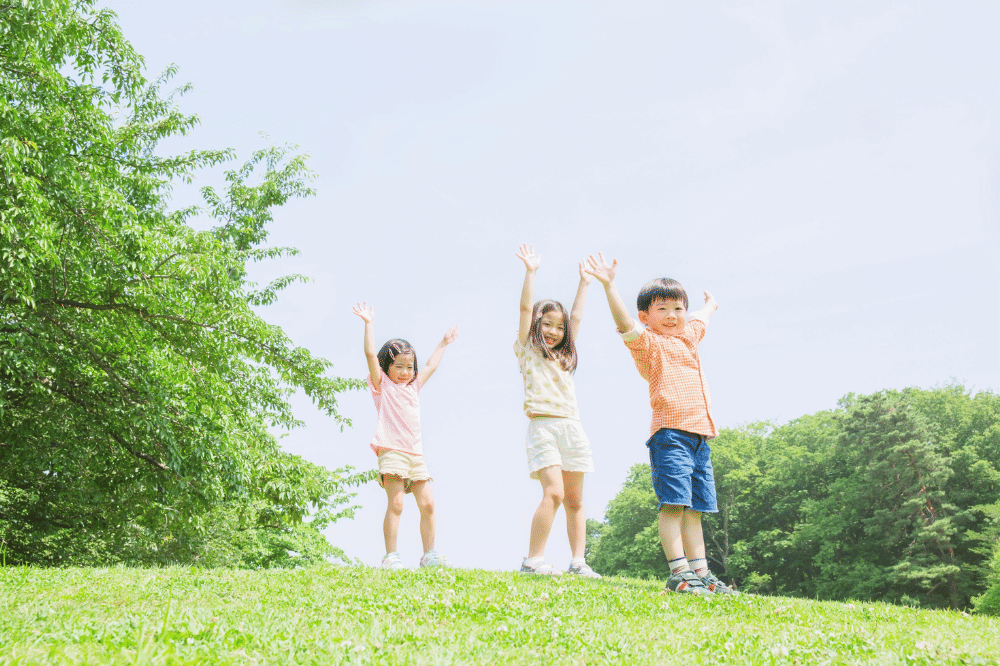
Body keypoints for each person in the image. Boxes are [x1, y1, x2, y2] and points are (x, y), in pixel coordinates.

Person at [584, 252, 736, 595]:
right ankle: (678, 573)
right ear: (646, 316)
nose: (672, 316)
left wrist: (710, 305)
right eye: (662, 309)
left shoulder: (689, 336)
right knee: (675, 504)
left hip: (701, 438)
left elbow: (701, 318)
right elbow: (625, 324)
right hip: (670, 435)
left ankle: (701, 573)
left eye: (677, 309)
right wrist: (609, 285)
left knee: (696, 509)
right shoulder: (648, 345)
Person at [513, 244, 601, 578]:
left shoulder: (565, 355)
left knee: (575, 499)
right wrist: (530, 272)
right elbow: (523, 309)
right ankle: (533, 559)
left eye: (558, 327)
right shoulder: (527, 350)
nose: (553, 331)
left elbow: (576, 317)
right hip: (543, 427)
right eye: (547, 324)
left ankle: (578, 561)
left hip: (572, 428)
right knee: (554, 492)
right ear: (537, 324)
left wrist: (585, 283)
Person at [352, 302, 458, 570]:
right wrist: (368, 323)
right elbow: (368, 354)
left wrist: (444, 343)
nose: (405, 372)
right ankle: (391, 556)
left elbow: (432, 365)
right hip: (391, 450)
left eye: (409, 367)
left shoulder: (414, 387)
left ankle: (430, 555)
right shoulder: (382, 386)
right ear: (387, 366)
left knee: (429, 504)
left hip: (415, 454)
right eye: (398, 366)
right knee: (396, 503)